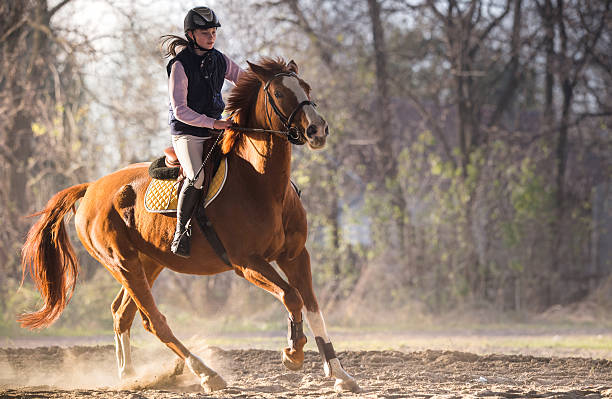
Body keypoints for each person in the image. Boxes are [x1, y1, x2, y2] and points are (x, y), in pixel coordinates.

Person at [161, 6, 245, 258]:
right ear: (191, 34)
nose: (211, 37)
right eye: (205, 33)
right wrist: (214, 123)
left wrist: (270, 84)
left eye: (213, 32)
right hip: (187, 133)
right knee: (196, 177)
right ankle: (180, 233)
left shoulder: (220, 60)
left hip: (214, 129)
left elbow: (245, 80)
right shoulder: (179, 65)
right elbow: (180, 111)